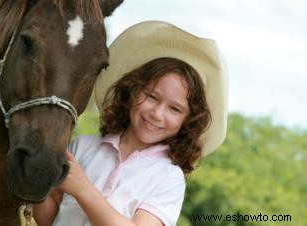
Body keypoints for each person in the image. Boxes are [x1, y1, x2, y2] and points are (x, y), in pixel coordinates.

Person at [33, 20, 228, 226]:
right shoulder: (82, 147)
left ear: (188, 121)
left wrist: (82, 189)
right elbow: (50, 218)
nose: (157, 114)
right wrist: (37, 183)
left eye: (175, 109)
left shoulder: (168, 177)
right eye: (152, 97)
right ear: (132, 90)